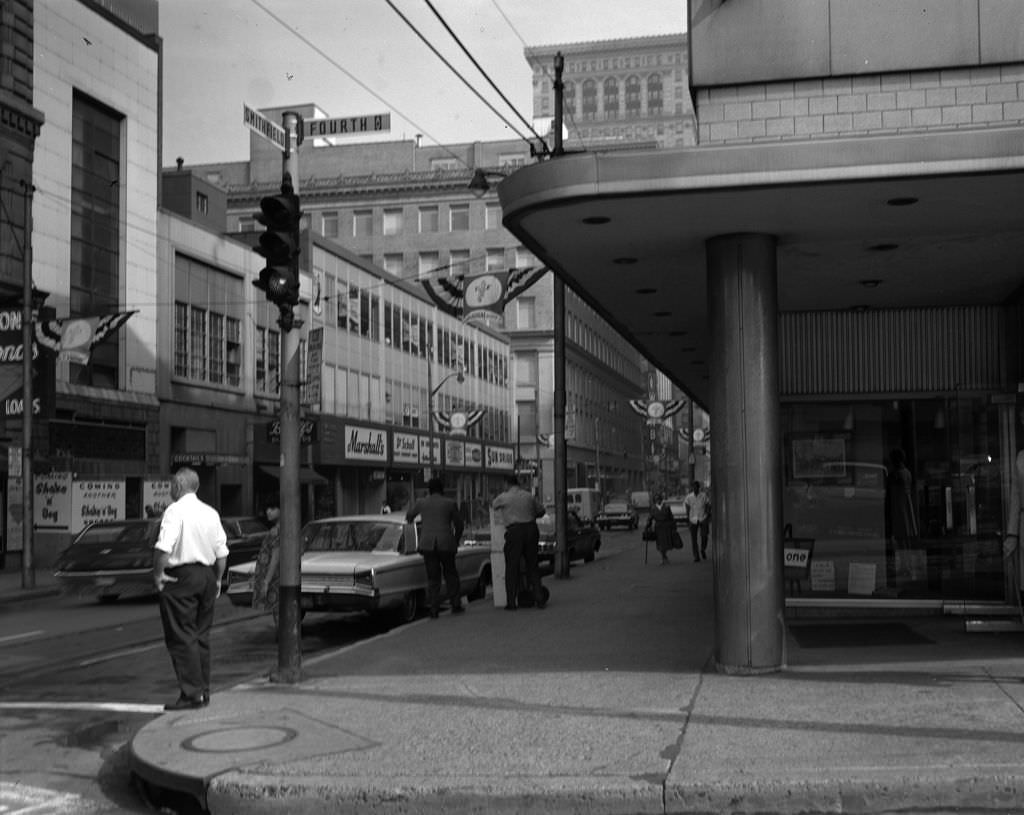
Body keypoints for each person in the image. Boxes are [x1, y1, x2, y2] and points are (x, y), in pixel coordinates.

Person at [152, 467, 228, 711]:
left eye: (173, 483)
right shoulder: (211, 512)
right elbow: (222, 553)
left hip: (182, 577)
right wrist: (217, 579)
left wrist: (158, 574)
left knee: (181, 637)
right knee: (201, 636)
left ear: (180, 484)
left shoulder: (175, 511)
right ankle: (203, 691)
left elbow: (164, 546)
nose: (171, 488)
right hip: (206, 574)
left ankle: (191, 695)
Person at [405, 477, 465, 618]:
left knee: (433, 577)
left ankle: (433, 609)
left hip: (427, 545)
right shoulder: (450, 503)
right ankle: (455, 604)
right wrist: (455, 540)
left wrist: (415, 522)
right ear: (442, 489)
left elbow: (409, 516)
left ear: (429, 490)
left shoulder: (422, 503)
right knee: (451, 574)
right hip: (446, 543)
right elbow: (459, 525)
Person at [491, 475, 546, 610]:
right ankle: (539, 598)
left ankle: (511, 602)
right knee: (532, 565)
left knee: (512, 567)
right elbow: (541, 510)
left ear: (506, 483)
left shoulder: (503, 497)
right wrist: (531, 515)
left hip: (515, 532)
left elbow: (493, 505)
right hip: (531, 530)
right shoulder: (528, 496)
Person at [886, 448, 918, 575]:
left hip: (899, 508)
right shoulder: (907, 473)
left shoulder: (895, 475)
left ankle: (905, 566)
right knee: (906, 539)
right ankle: (908, 565)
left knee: (901, 539)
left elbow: (890, 494)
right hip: (906, 506)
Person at [252, 504, 281, 620]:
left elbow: (275, 557)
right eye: (267, 508)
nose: (268, 511)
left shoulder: (276, 531)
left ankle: (281, 637)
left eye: (273, 508)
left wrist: (266, 581)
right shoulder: (280, 529)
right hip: (277, 576)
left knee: (278, 612)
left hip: (274, 578)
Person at [684, 482, 711, 562]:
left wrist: (707, 514)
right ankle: (696, 556)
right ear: (692, 488)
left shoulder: (703, 495)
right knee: (694, 539)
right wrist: (688, 518)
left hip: (703, 518)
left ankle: (703, 549)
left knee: (704, 535)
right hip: (693, 519)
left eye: (696, 487)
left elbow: (708, 504)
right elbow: (687, 507)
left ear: (699, 488)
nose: (695, 488)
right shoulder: (689, 497)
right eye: (693, 487)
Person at [646, 493, 675, 565]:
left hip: (666, 526)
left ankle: (664, 556)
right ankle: (664, 558)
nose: (658, 500)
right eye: (656, 499)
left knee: (666, 544)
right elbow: (650, 518)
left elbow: (671, 517)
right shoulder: (653, 508)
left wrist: (673, 526)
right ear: (655, 500)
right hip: (658, 527)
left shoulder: (666, 507)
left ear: (661, 499)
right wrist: (647, 525)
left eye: (659, 499)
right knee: (660, 544)